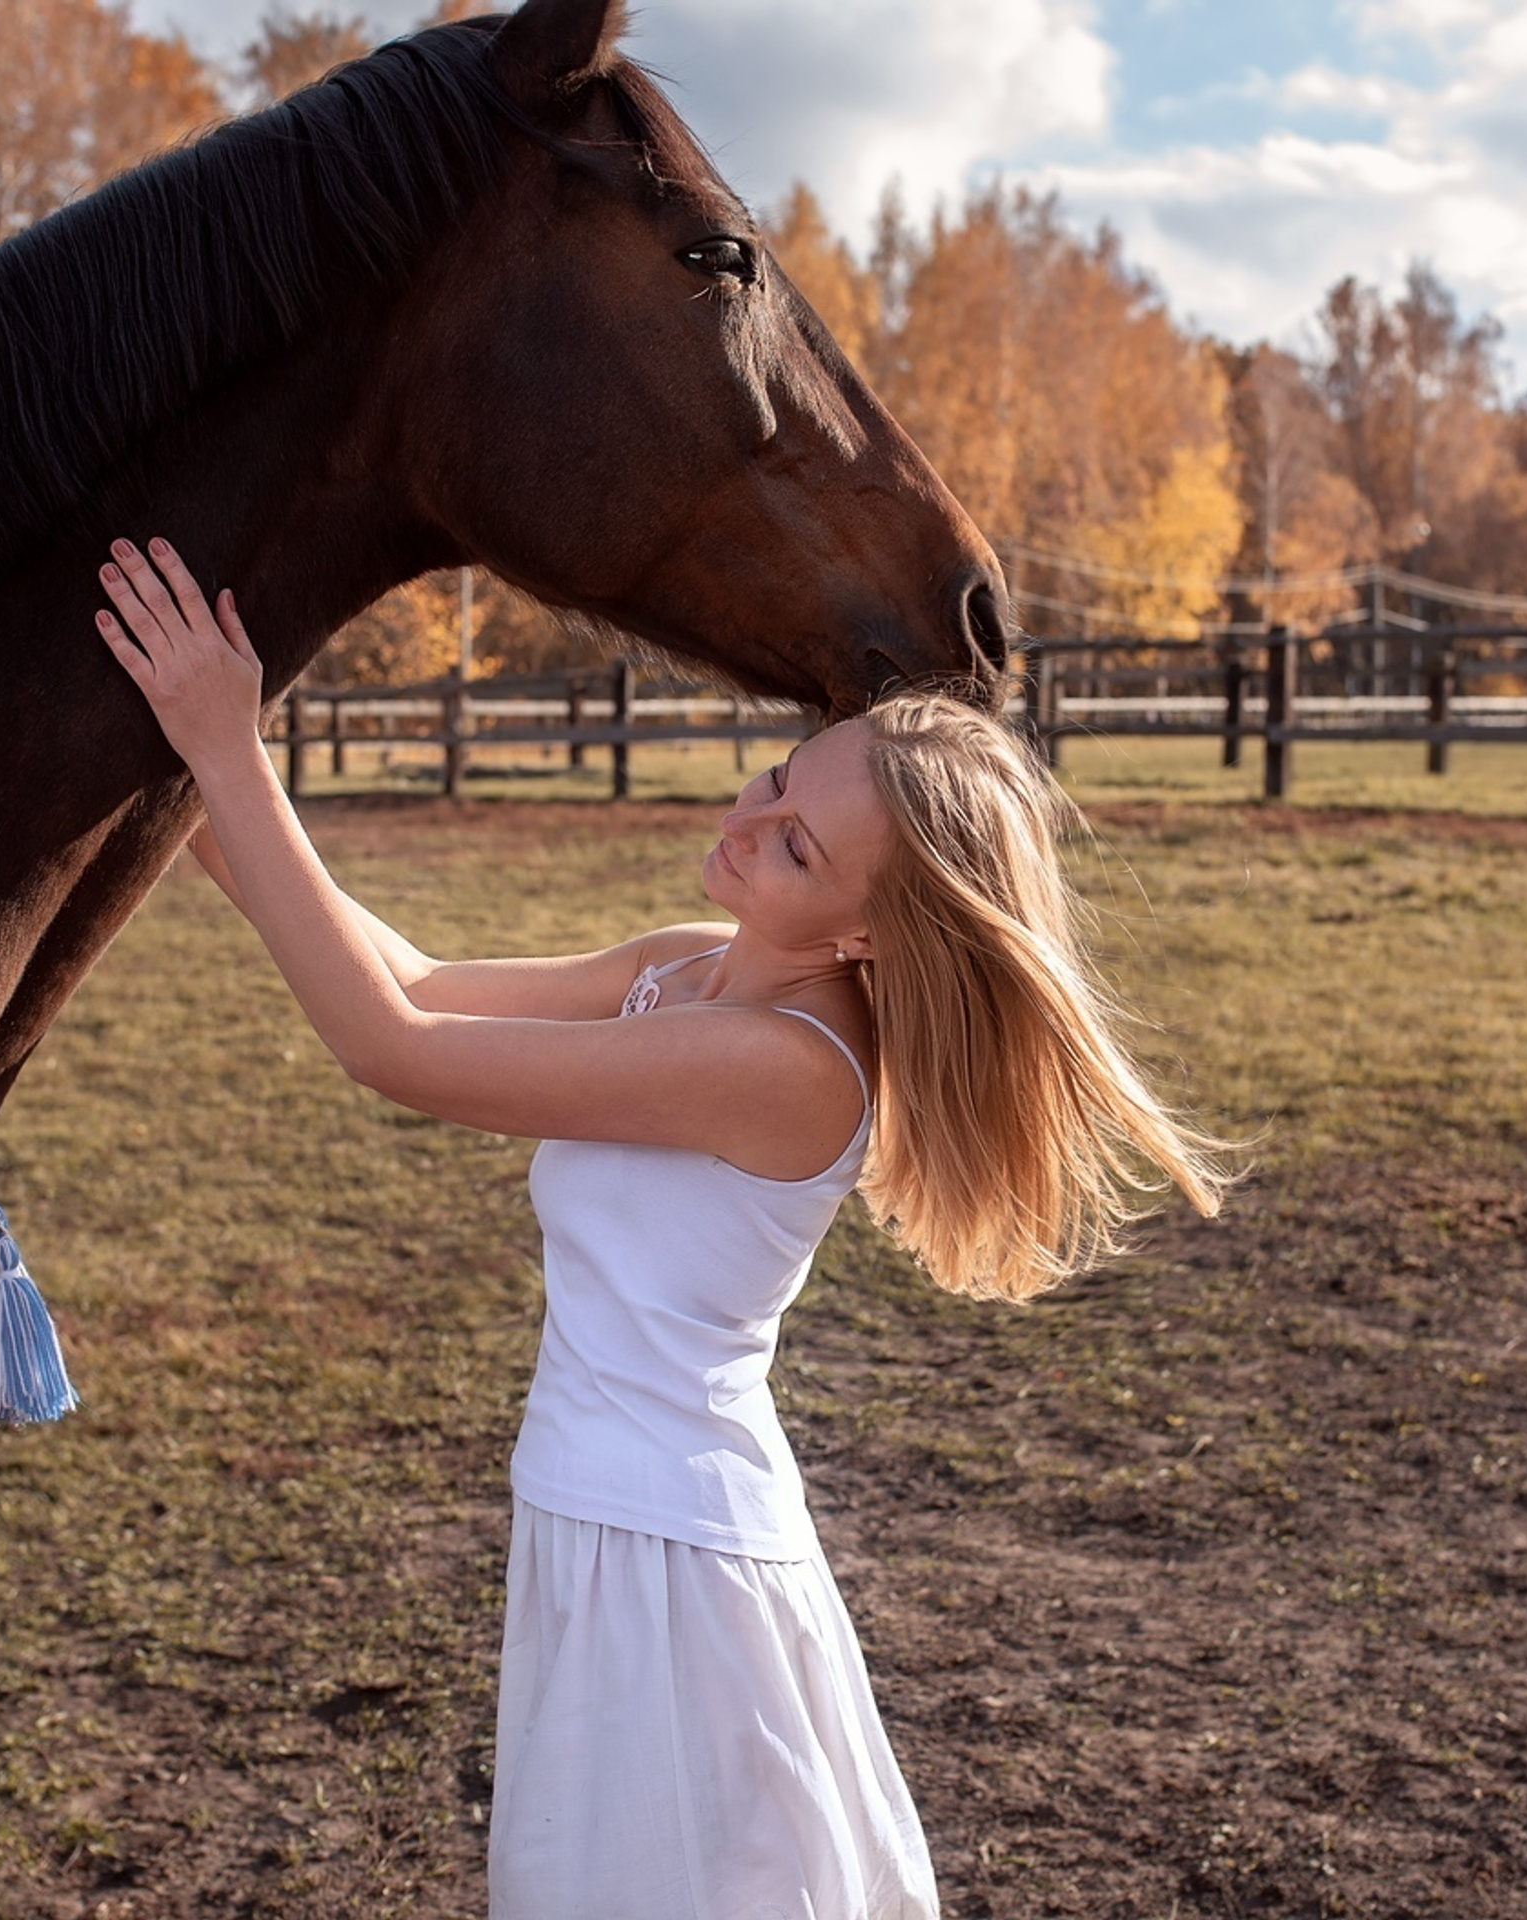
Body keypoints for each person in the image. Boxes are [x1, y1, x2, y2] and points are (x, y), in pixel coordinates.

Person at [96, 536, 1227, 1920]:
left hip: (668, 1561)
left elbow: (394, 1049)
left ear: (870, 937)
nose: (747, 823)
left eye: (797, 845)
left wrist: (228, 751)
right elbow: (419, 975)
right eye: (776, 783)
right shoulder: (678, 971)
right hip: (596, 1511)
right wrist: (167, 765)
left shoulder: (786, 1065)